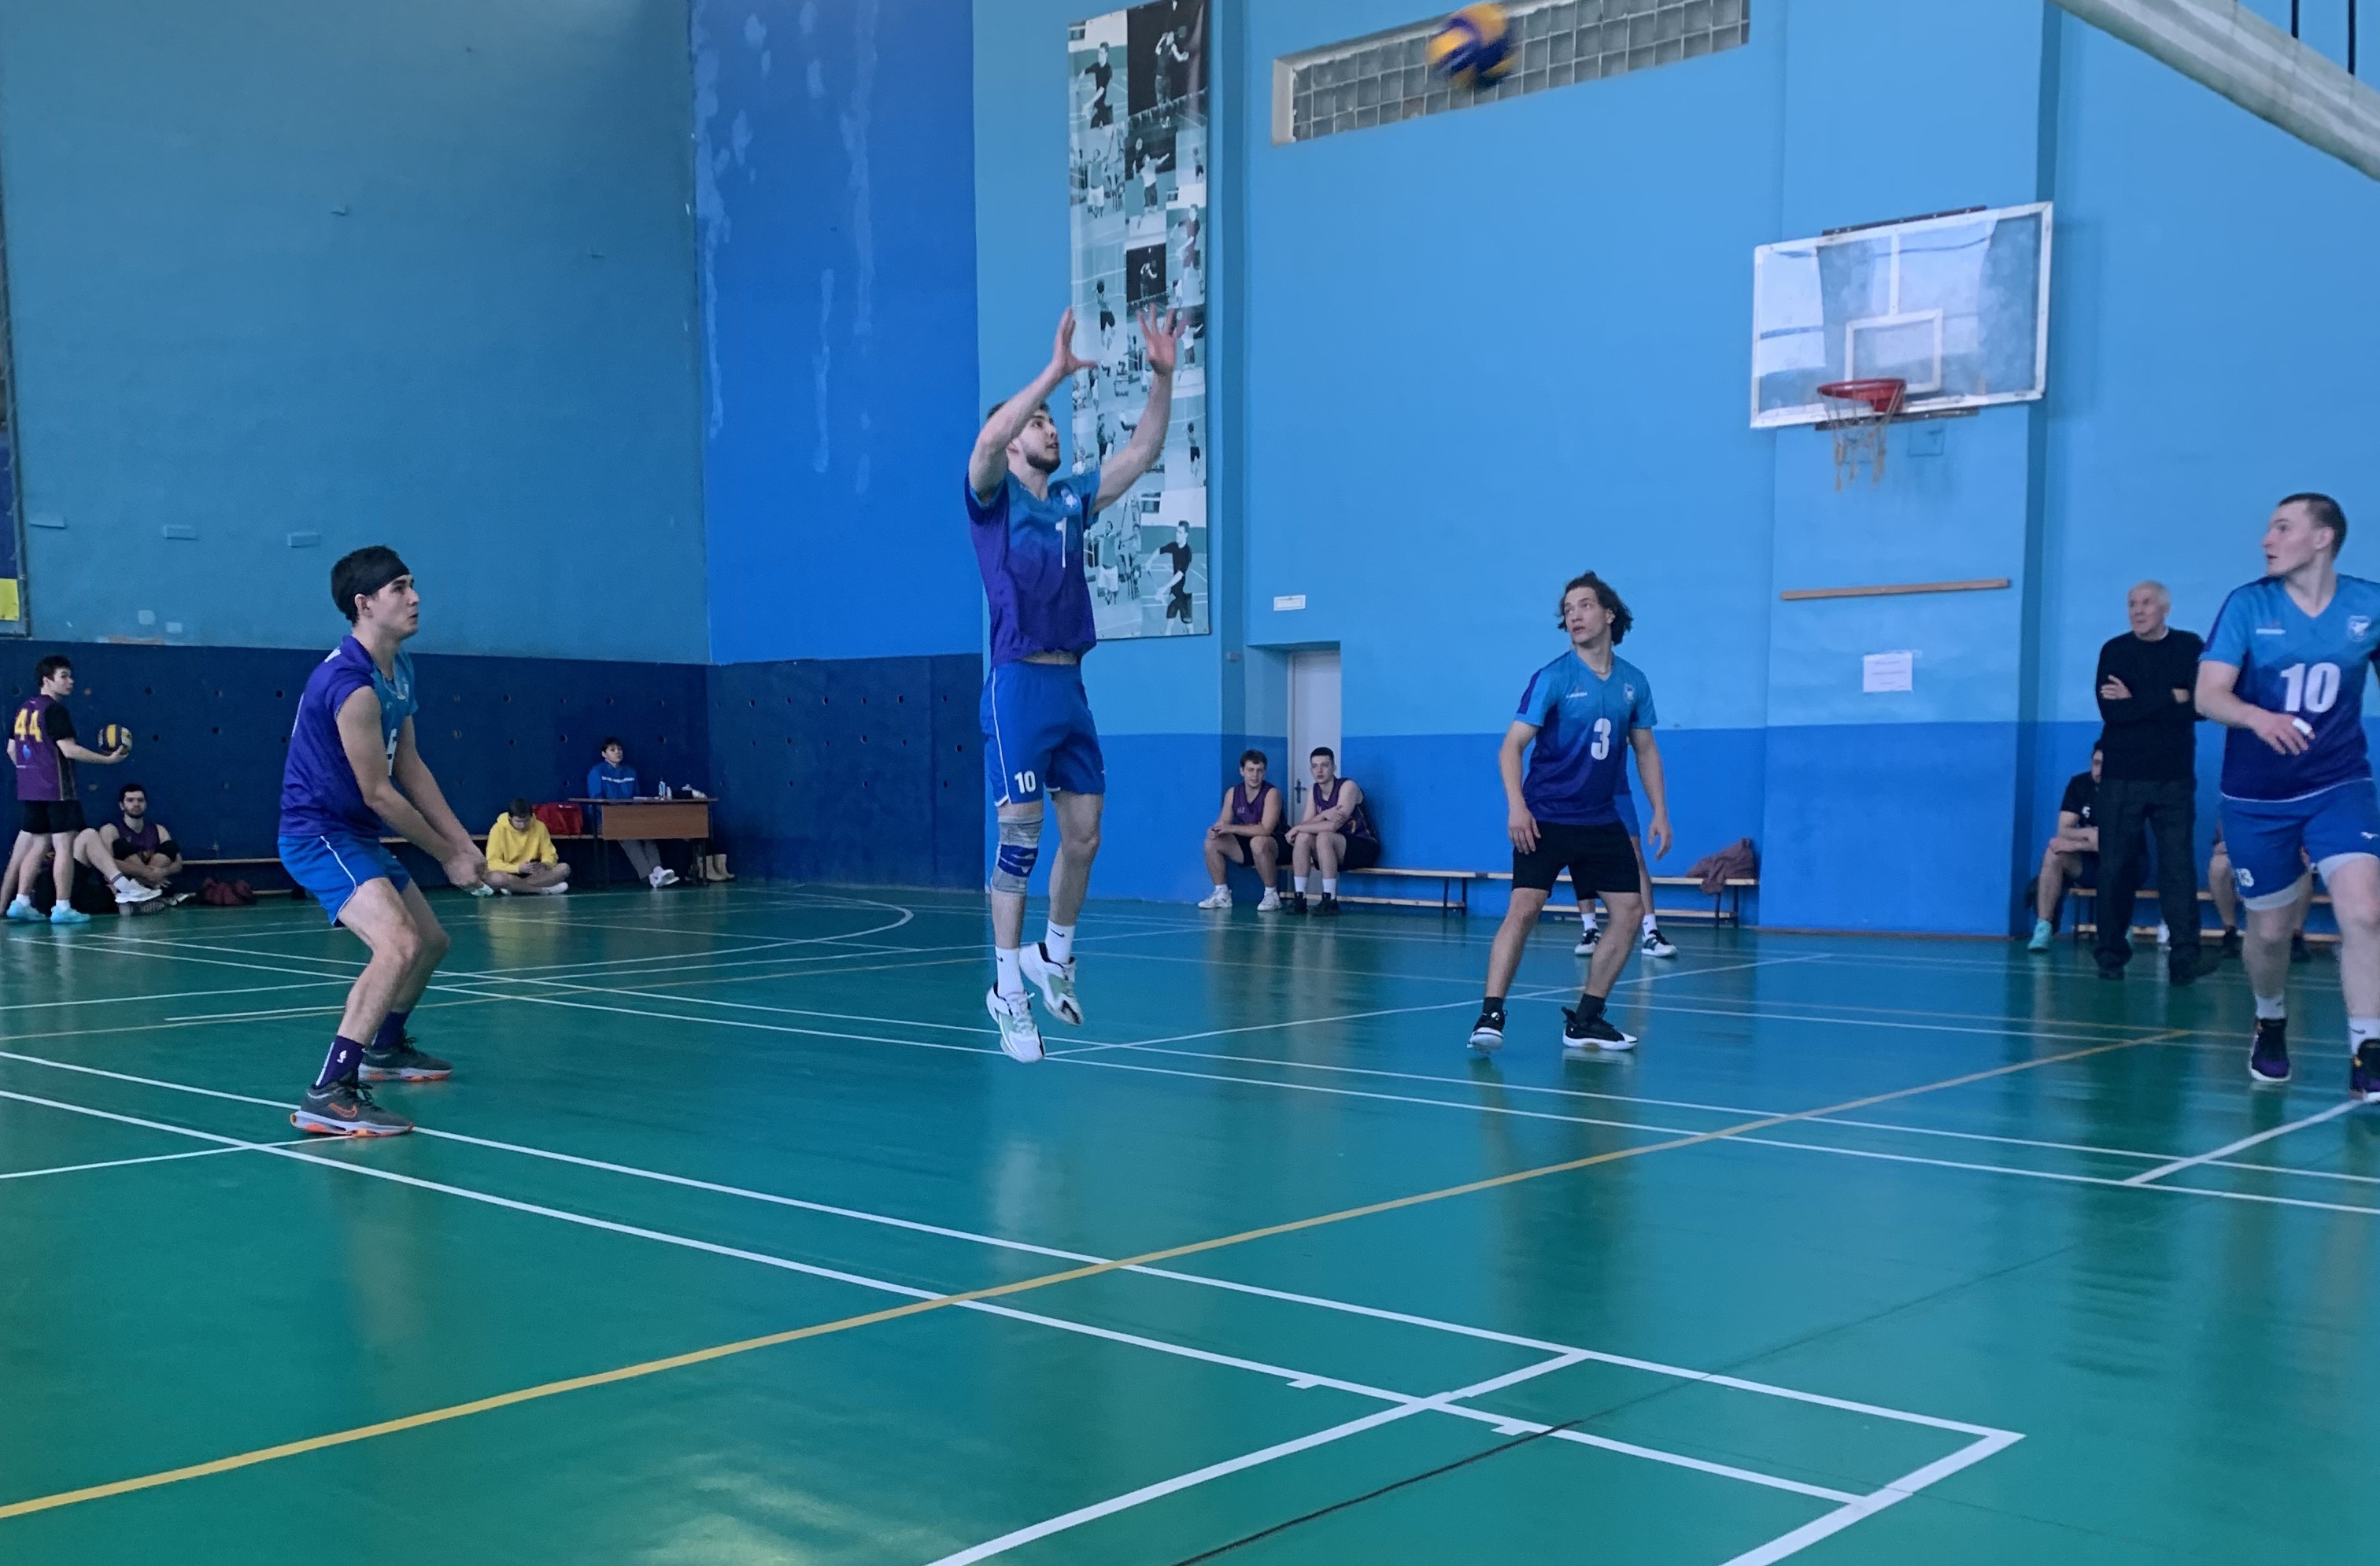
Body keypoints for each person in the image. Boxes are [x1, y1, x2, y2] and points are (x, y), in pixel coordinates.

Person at [969, 301, 1183, 1061]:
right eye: (1039, 422)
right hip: (1017, 684)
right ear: (1014, 438)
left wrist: (1163, 377)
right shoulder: (993, 501)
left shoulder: (1069, 500)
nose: (1050, 427)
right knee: (1021, 837)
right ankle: (1006, 988)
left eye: (1052, 420)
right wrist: (1053, 372)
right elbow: (988, 442)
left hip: (1070, 688)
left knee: (1085, 836)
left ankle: (1053, 955)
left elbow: (1144, 451)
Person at [277, 547, 487, 1136]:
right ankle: (330, 1091)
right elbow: (379, 793)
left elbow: (411, 766)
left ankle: (385, 1049)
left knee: (431, 941)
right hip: (319, 834)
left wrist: (463, 843)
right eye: (399, 588)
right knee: (397, 944)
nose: (415, 597)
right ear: (364, 604)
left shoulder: (397, 668)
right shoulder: (352, 686)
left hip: (356, 834)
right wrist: (446, 855)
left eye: (413, 584)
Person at [2194, 493, 2380, 1101]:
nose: (2266, 539)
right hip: (2257, 797)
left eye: (2281, 527)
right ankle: (2269, 1018)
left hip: (2339, 784)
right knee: (2271, 933)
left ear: (2322, 538)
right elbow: (2208, 694)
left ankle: (2368, 1050)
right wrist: (2257, 717)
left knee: (2366, 911)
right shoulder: (2248, 604)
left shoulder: (2369, 605)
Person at [1473, 571, 1670, 1055]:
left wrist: (1660, 812)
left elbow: (1645, 749)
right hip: (1546, 816)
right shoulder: (1554, 678)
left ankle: (1586, 1019)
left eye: (1584, 605)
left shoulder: (1633, 683)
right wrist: (1517, 807)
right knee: (1524, 909)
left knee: (1629, 913)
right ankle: (1491, 1014)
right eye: (1567, 609)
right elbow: (1511, 747)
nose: (1574, 615)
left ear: (1609, 614)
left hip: (1601, 819)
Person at [2093, 581, 2208, 982]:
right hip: (2121, 778)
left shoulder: (2190, 647)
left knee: (2178, 869)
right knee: (2115, 868)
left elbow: (2200, 705)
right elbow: (2113, 713)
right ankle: (2110, 957)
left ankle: (2185, 958)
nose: (2137, 611)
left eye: (2145, 603)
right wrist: (2170, 697)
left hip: (2174, 778)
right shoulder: (2114, 651)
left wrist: (2138, 698)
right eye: (2131, 604)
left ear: (2165, 609)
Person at [5, 653, 131, 926]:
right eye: (64, 676)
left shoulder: (24, 709)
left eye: (70, 676)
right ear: (46, 680)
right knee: (64, 846)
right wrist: (107, 760)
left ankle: (21, 902)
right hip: (58, 789)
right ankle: (63, 906)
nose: (70, 681)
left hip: (31, 790)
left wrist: (32, 773)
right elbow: (69, 750)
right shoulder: (55, 710)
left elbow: (12, 750)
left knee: (39, 844)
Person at [1574, 777, 1676, 959]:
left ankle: (1650, 933)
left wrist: (1660, 812)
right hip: (1578, 793)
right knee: (1582, 856)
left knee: (1635, 856)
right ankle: (1590, 930)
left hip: (1616, 792)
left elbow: (1646, 761)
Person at [2027, 747, 2105, 951]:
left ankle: (2121, 929)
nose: (2099, 771)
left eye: (2105, 766)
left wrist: (2078, 843)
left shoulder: (2126, 789)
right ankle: (2043, 928)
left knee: (2117, 854)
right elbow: (2063, 829)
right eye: (2096, 764)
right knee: (2054, 853)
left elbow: (2115, 841)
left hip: (2126, 867)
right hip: (2090, 866)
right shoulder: (2080, 784)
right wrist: (2090, 834)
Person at [1284, 746, 1377, 915]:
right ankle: (1299, 897)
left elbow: (1333, 826)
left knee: (1324, 836)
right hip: (1333, 849)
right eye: (1315, 766)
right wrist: (1323, 815)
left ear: (1334, 768)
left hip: (1363, 846)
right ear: (1311, 770)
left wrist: (1298, 827)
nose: (1319, 770)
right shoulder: (1313, 790)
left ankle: (1330, 899)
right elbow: (1306, 825)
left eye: (1324, 765)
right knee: (1303, 837)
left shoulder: (1348, 787)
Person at [2208, 822, 2312, 962]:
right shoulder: (2237, 809)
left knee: (2302, 865)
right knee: (2218, 865)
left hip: (2281, 852)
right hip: (2246, 852)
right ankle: (2230, 933)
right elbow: (2220, 843)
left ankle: (2296, 936)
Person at [1199, 750, 1285, 912]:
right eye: (1251, 770)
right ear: (1242, 771)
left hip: (1276, 844)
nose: (1255, 775)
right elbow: (1223, 823)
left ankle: (1272, 895)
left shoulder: (1272, 793)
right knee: (1212, 842)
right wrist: (1215, 830)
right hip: (1248, 844)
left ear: (1265, 772)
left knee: (1258, 842)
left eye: (1259, 771)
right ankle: (1222, 894)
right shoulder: (1233, 793)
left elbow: (1266, 829)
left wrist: (1231, 828)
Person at [587, 737, 676, 888]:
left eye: (619, 749)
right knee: (627, 835)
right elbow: (596, 800)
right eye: (612, 750)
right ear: (604, 754)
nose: (617, 752)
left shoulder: (630, 772)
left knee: (647, 831)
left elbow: (636, 797)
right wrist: (614, 815)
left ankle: (658, 870)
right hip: (605, 820)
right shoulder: (597, 772)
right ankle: (649, 876)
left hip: (630, 818)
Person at [95, 781, 182, 901]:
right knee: (121, 846)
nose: (136, 804)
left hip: (156, 880)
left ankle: (145, 888)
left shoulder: (159, 830)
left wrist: (163, 872)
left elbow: (178, 863)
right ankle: (144, 886)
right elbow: (106, 865)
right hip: (127, 885)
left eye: (140, 800)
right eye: (130, 800)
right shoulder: (110, 830)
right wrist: (145, 873)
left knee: (170, 846)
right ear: (122, 805)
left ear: (145, 804)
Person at [484, 798, 571, 895]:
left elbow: (550, 854)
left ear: (531, 816)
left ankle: (515, 888)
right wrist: (517, 868)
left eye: (526, 821)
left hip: (533, 873)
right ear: (510, 818)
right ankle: (543, 890)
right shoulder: (497, 829)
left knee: (564, 869)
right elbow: (492, 863)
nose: (523, 825)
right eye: (518, 821)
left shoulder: (540, 827)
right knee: (495, 878)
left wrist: (545, 864)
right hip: (507, 872)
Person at [1159, 521, 1194, 633]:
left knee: (1189, 627)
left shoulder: (1188, 552)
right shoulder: (1174, 546)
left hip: (1185, 595)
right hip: (1174, 593)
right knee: (1169, 624)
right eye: (1177, 531)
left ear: (1186, 535)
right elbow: (1160, 550)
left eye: (1180, 532)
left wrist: (1164, 588)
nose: (1177, 534)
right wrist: (1149, 561)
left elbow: (1179, 575)